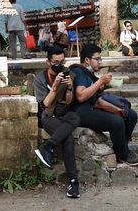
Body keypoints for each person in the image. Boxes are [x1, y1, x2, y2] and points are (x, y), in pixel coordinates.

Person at [71, 44, 138, 165]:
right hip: (81, 111)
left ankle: (120, 149)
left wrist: (103, 86)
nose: (100, 62)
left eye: (100, 59)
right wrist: (100, 82)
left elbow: (96, 97)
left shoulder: (88, 73)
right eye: (97, 59)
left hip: (93, 106)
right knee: (117, 121)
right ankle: (123, 154)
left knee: (131, 115)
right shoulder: (79, 72)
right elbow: (81, 96)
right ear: (87, 60)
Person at [33, 46, 80, 198]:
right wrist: (54, 88)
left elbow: (68, 102)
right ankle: (73, 181)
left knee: (75, 117)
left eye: (62, 61)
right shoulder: (40, 78)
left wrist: (69, 87)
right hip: (48, 116)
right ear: (48, 62)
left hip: (63, 114)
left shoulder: (69, 74)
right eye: (55, 62)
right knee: (67, 138)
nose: (59, 65)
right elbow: (46, 104)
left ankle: (48, 147)